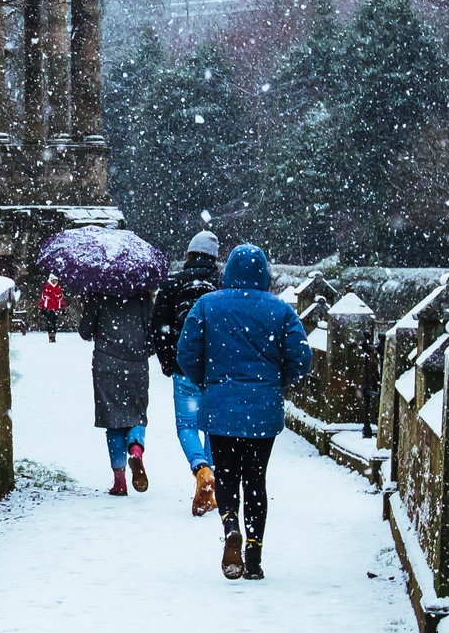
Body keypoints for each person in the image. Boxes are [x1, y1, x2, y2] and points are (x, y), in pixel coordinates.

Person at [176, 243, 311, 580]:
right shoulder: (279, 310)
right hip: (263, 411)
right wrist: (276, 382)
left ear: (228, 272)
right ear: (264, 274)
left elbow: (186, 353)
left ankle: (230, 525)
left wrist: (208, 381)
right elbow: (302, 358)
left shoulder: (207, 305)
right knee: (255, 479)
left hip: (220, 408)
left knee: (225, 476)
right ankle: (254, 554)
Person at [151, 230, 224, 517]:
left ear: (190, 254)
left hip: (184, 367)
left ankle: (201, 469)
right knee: (213, 426)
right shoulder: (222, 284)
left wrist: (168, 362)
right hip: (216, 369)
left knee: (187, 424)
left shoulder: (173, 283)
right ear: (214, 258)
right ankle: (212, 474)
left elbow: (159, 327)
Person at [79, 287, 155, 496]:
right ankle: (136, 449)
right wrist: (145, 350)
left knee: (112, 418)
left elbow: (85, 331)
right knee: (137, 414)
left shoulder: (99, 291)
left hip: (106, 362)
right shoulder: (142, 293)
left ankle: (120, 481)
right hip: (136, 362)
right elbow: (152, 330)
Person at [37, 273, 65, 341]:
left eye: (56, 280)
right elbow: (43, 299)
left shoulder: (58, 288)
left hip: (56, 308)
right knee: (50, 323)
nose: (55, 281)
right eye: (54, 280)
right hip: (48, 308)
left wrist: (63, 306)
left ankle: (53, 336)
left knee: (54, 323)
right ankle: (50, 336)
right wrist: (41, 307)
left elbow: (61, 299)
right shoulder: (46, 288)